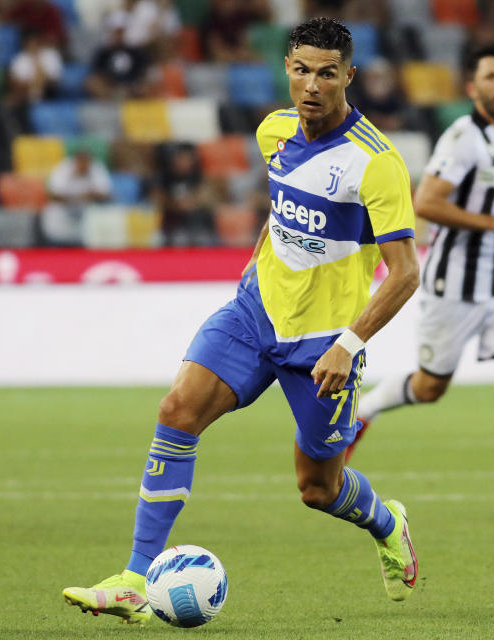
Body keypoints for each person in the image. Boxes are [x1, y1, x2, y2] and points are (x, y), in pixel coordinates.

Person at [61, 18, 420, 623]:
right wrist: (258, 271)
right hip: (253, 315)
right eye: (301, 69)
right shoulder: (273, 131)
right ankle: (133, 578)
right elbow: (282, 212)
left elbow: (406, 272)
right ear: (287, 68)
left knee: (318, 488)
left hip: (323, 346)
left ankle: (388, 523)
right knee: (177, 411)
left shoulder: (376, 164)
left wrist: (349, 343)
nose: (312, 84)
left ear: (348, 77)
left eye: (327, 73)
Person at [348, 42, 494, 519]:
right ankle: (364, 412)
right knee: (431, 387)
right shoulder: (462, 138)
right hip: (453, 284)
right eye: (492, 77)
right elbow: (425, 203)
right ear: (473, 88)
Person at [41, 149, 112, 246]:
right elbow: (53, 195)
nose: (83, 166)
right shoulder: (63, 168)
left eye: (86, 163)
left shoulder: (96, 168)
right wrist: (77, 195)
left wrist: (87, 195)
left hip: (86, 217)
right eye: (80, 163)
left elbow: (106, 194)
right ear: (75, 162)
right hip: (62, 215)